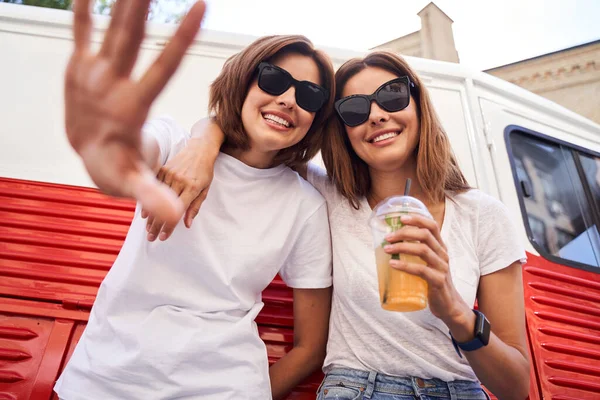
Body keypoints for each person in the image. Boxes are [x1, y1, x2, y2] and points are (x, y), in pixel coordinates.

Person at [145, 51, 531, 400]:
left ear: (418, 104)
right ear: (342, 129)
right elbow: (252, 131)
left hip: (456, 391)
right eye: (354, 109)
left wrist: (455, 311)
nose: (376, 114)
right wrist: (202, 143)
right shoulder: (326, 195)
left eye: (392, 95)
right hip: (357, 387)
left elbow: (514, 387)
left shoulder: (483, 215)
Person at [56, 1, 336, 399]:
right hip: (105, 380)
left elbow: (311, 347)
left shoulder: (305, 205)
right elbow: (130, 158)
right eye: (273, 80)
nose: (289, 99)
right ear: (243, 82)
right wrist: (108, 150)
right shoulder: (175, 143)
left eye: (310, 95)